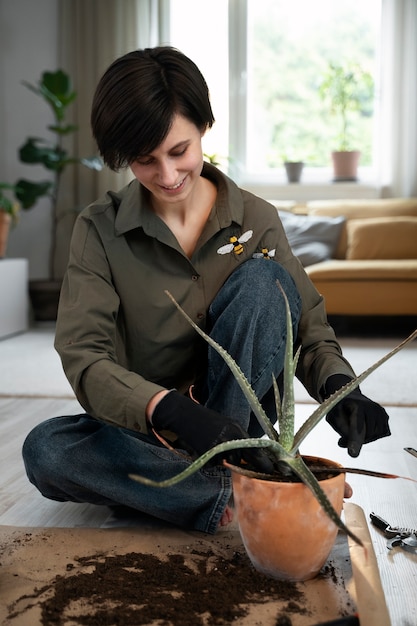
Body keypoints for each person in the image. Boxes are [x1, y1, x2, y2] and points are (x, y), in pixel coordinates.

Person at [22, 46, 390, 534]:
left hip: (243, 430)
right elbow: (85, 359)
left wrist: (342, 390)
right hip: (152, 433)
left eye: (179, 151)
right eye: (145, 161)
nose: (168, 177)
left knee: (266, 282)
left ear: (204, 129)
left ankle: (190, 491)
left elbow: (307, 329)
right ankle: (242, 491)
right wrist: (169, 408)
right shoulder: (98, 231)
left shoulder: (257, 218)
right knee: (45, 450)